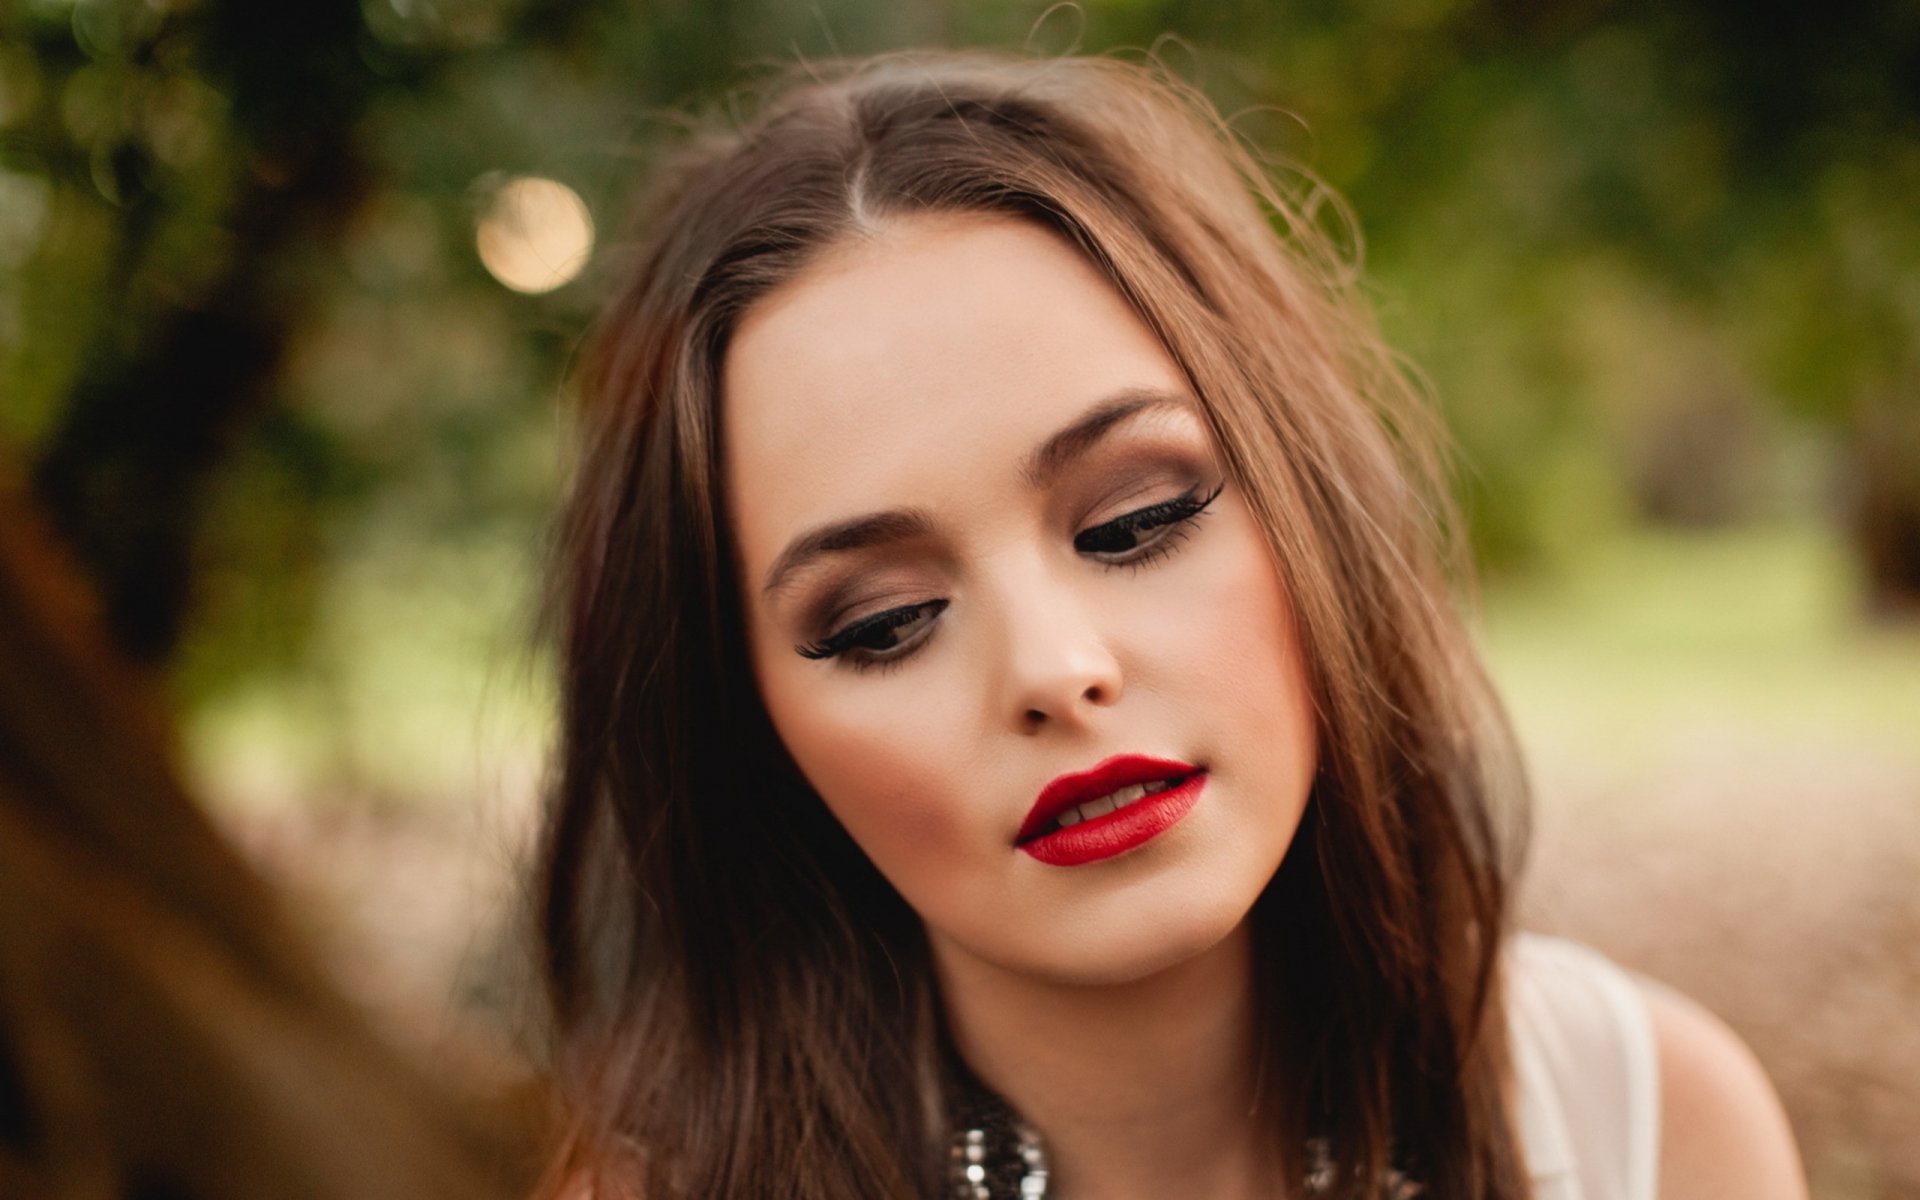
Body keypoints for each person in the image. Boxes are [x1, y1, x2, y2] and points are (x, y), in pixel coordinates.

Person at [533, 51, 1805, 1199]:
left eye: (1136, 523)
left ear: (1307, 504)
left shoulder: (1649, 1125)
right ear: (750, 728)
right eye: (887, 622)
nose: (1055, 670)